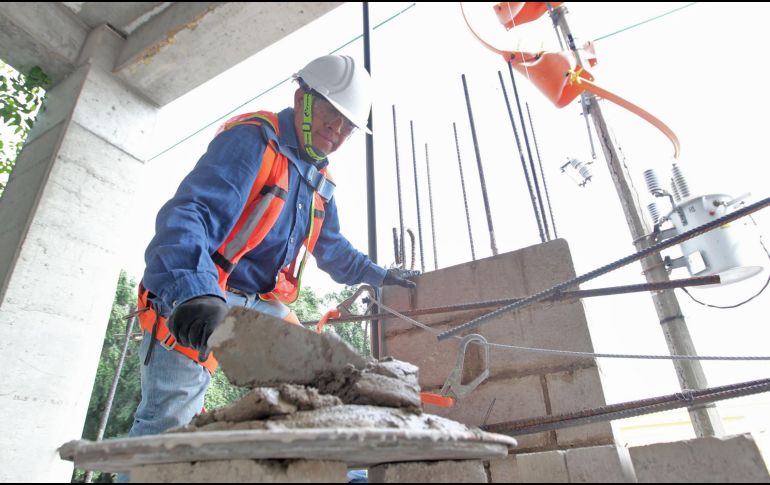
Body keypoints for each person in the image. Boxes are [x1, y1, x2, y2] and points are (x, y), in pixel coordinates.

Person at [127, 54, 418, 442]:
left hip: (258, 302)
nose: (338, 128)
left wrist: (381, 276)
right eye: (331, 112)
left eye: (349, 124)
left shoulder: (320, 184)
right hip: (201, 290)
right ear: (303, 100)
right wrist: (194, 294)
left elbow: (333, 250)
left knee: (325, 377)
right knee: (168, 426)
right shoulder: (253, 141)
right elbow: (190, 213)